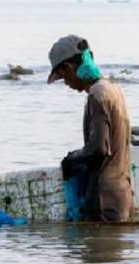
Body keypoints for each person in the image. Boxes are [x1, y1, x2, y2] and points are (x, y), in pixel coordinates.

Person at [48, 35, 134, 222]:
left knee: (98, 251)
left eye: (63, 77)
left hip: (103, 200)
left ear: (69, 68)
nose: (66, 83)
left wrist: (72, 159)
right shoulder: (113, 89)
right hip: (121, 195)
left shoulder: (97, 95)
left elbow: (99, 149)